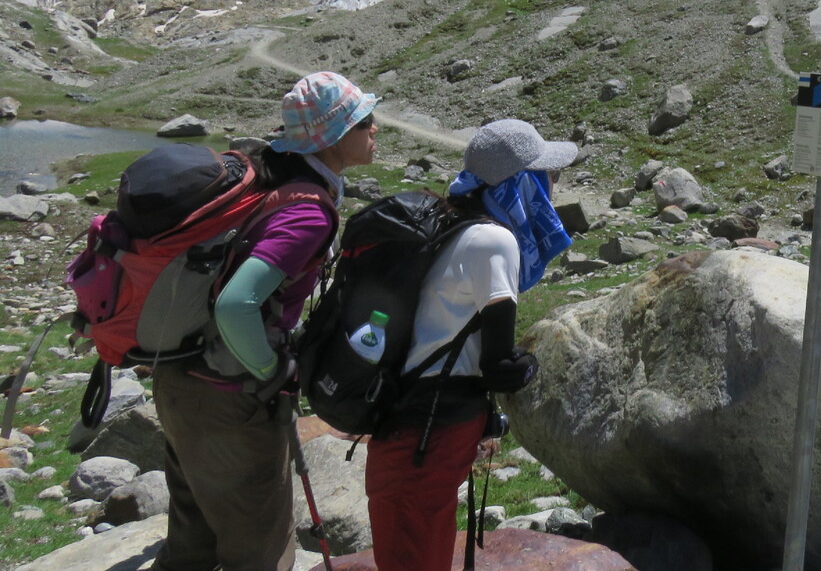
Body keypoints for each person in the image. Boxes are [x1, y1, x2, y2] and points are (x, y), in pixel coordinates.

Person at [151, 71, 379, 571]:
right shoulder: (308, 211)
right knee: (259, 542)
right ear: (334, 135)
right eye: (365, 120)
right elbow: (236, 305)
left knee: (192, 529)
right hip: (229, 399)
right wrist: (270, 370)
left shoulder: (271, 174)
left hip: (180, 373)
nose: (375, 129)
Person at [364, 118, 576, 571]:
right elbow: (502, 365)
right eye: (548, 175)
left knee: (415, 547)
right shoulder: (493, 240)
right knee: (419, 552)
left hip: (408, 420)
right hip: (430, 428)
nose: (554, 184)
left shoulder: (453, 221)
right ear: (520, 183)